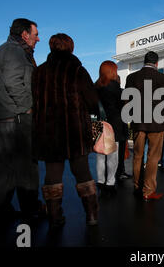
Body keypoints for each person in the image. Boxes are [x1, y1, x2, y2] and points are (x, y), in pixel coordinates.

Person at [32, 33, 100, 228]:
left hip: (49, 133)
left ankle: (54, 216)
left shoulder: (39, 72)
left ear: (51, 48)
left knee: (52, 174)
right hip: (75, 132)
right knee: (82, 172)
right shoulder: (77, 70)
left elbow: (35, 101)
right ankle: (92, 215)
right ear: (71, 48)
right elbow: (93, 101)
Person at [0, 18, 45, 224]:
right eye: (35, 34)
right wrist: (28, 107)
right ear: (24, 34)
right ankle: (30, 208)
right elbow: (14, 83)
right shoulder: (14, 51)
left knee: (7, 167)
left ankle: (1, 209)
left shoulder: (5, 50)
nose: (38, 38)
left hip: (7, 114)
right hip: (16, 115)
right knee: (27, 164)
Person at [124, 51, 164, 201]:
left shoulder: (131, 77)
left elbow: (126, 101)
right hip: (157, 124)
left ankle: (137, 187)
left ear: (144, 61)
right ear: (156, 63)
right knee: (152, 157)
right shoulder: (163, 78)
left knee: (137, 156)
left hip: (138, 123)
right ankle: (148, 191)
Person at [95, 61, 128, 197]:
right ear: (113, 72)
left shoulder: (95, 87)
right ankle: (110, 183)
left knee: (100, 156)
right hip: (115, 126)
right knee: (112, 157)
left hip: (99, 124)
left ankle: (100, 181)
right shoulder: (116, 88)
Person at [115, 76, 131, 180]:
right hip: (120, 125)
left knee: (106, 154)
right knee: (120, 152)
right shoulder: (122, 92)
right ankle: (120, 172)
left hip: (107, 125)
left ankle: (105, 178)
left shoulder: (101, 90)